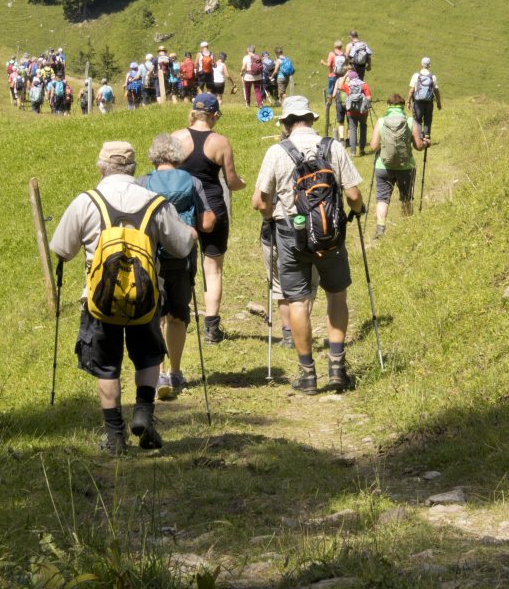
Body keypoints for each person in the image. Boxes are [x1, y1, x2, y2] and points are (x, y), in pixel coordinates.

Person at [49, 141, 195, 454]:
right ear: (133, 168)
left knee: (106, 366)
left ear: (101, 167)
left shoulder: (87, 201)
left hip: (100, 300)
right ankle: (143, 413)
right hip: (145, 298)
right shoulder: (154, 202)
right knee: (148, 356)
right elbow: (182, 246)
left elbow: (61, 249)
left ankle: (115, 436)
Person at [253, 97, 367, 393]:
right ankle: (337, 368)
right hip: (329, 235)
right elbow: (353, 195)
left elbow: (260, 202)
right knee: (336, 297)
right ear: (311, 119)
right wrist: (357, 212)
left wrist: (271, 217)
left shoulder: (277, 151)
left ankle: (307, 374)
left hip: (290, 233)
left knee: (298, 302)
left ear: (286, 123)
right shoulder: (333, 147)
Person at [137, 134, 213, 400]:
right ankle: (176, 371)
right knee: (178, 314)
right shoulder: (192, 181)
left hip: (150, 258)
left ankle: (159, 374)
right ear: (178, 157)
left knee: (155, 316)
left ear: (154, 157)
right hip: (182, 257)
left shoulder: (143, 183)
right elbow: (207, 223)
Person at [173, 90, 246, 343]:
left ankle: (176, 315)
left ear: (194, 113)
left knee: (178, 264)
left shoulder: (176, 138)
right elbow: (232, 182)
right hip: (212, 208)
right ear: (214, 115)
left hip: (181, 207)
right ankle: (212, 328)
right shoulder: (220, 142)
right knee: (213, 269)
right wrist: (243, 183)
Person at [366, 94, 430, 238]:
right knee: (406, 198)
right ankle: (406, 230)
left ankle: (380, 227)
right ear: (402, 107)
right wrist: (426, 143)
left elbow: (374, 146)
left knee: (382, 198)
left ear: (388, 106)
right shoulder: (410, 121)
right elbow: (418, 146)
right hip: (406, 167)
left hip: (383, 166)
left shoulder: (381, 121)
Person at [330, 70, 373, 154]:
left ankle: (353, 151)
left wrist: (345, 76)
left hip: (351, 112)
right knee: (363, 128)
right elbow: (369, 98)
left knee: (353, 129)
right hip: (363, 112)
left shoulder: (348, 86)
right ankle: (362, 149)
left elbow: (340, 86)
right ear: (357, 77)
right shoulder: (364, 85)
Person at [407, 57, 443, 140]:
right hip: (429, 101)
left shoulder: (416, 75)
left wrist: (408, 101)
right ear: (429, 65)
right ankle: (427, 136)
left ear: (421, 64)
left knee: (417, 119)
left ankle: (419, 137)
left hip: (417, 101)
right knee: (428, 119)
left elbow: (412, 90)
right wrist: (438, 102)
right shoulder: (432, 77)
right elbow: (436, 91)